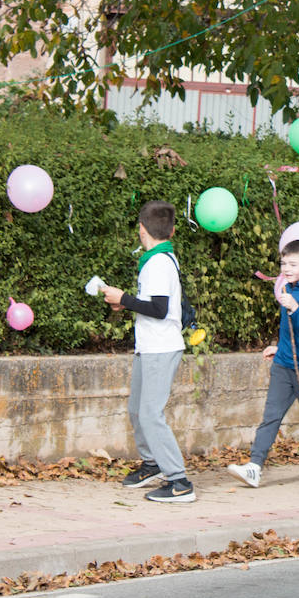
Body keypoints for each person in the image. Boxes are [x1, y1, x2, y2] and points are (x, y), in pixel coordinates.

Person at [101, 200, 195, 503]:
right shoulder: (161, 259)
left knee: (151, 414)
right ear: (173, 230)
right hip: (149, 345)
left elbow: (159, 308)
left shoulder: (158, 263)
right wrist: (126, 302)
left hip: (161, 348)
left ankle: (179, 481)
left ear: (142, 230)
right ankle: (152, 463)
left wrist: (124, 298)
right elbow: (155, 304)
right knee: (137, 410)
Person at [227, 240, 299, 492]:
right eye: (283, 263)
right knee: (270, 417)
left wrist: (295, 308)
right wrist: (279, 347)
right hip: (283, 365)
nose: (286, 268)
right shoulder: (287, 289)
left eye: (293, 264)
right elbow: (290, 333)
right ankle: (254, 466)